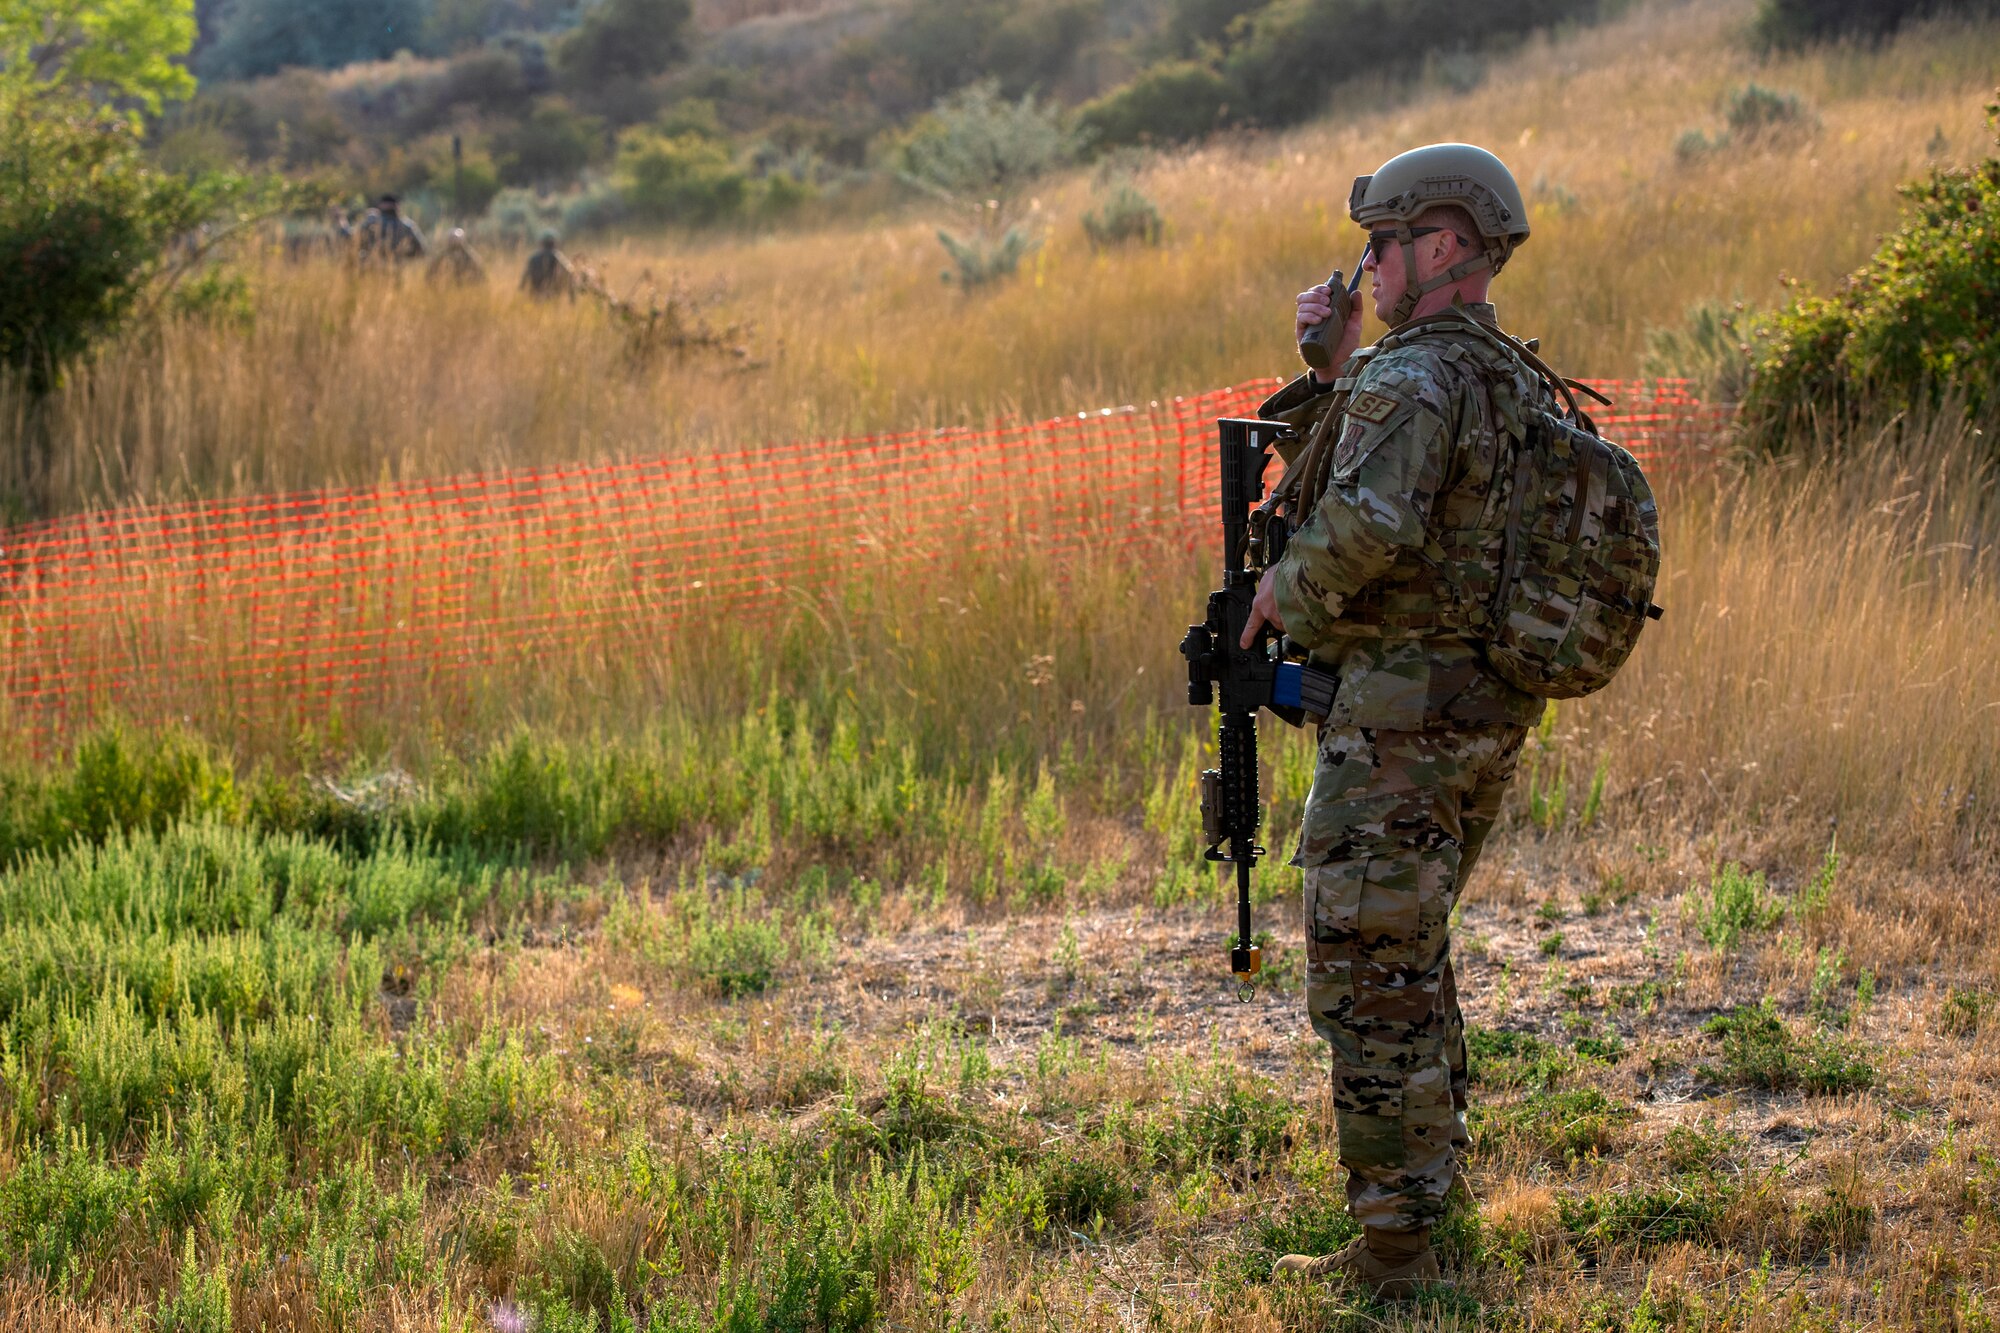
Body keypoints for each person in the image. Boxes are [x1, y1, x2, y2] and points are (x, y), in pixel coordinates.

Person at [1244, 143, 1551, 1299]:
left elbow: (1363, 520)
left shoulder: (1416, 378)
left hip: (1401, 727)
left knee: (1368, 975)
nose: (1364, 265)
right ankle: (1427, 1205)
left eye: (1379, 243)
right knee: (1407, 960)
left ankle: (1393, 1255)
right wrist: (1326, 371)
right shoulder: (1496, 373)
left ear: (1441, 245)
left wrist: (1285, 589)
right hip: (1469, 717)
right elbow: (1382, 485)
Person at [356, 194, 427, 265]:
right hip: (399, 268)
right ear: (397, 207)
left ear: (380, 206)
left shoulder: (370, 222)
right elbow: (422, 250)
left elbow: (354, 243)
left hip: (371, 268)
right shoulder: (407, 225)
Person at [519, 231, 577, 300]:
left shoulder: (533, 258)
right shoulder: (558, 256)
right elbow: (570, 272)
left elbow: (526, 275)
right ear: (554, 243)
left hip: (536, 294)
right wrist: (572, 296)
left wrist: (521, 288)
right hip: (553, 295)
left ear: (541, 243)